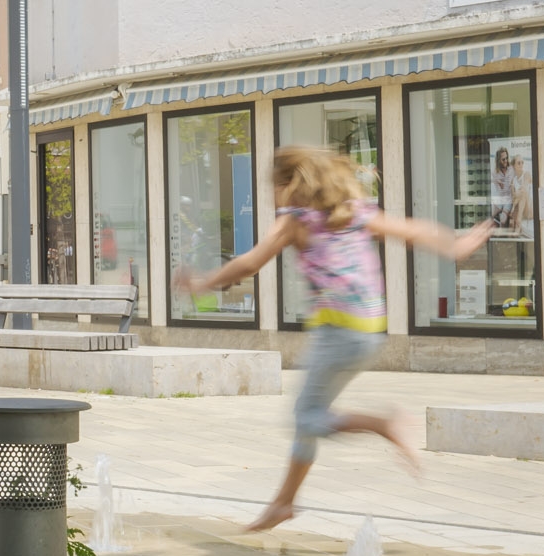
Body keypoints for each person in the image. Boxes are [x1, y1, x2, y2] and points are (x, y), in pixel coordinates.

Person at [175, 144, 492, 532]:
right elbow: (413, 230)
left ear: (290, 183)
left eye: (273, 187)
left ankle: (383, 424)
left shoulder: (296, 221)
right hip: (370, 330)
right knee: (309, 415)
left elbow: (251, 262)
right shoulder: (353, 212)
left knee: (306, 417)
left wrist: (202, 283)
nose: (272, 196)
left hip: (338, 332)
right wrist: (455, 246)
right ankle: (283, 503)